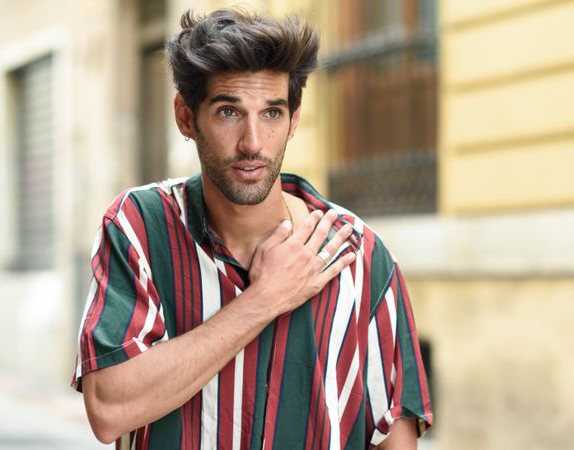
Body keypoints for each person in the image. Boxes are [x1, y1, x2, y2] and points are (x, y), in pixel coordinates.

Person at [72, 8, 432, 450]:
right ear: (186, 117)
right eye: (228, 112)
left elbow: (395, 436)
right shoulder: (139, 228)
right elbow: (109, 412)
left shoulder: (360, 257)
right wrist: (262, 300)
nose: (253, 143)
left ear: (293, 120)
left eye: (271, 114)